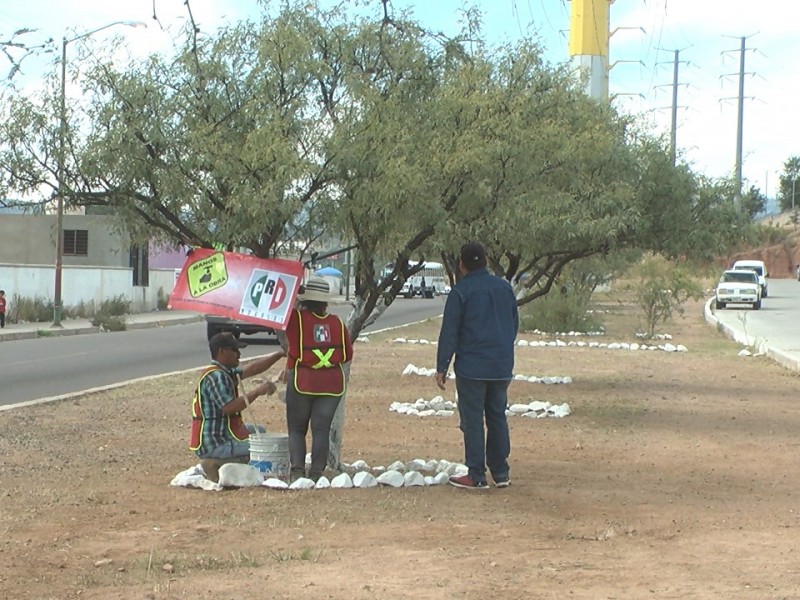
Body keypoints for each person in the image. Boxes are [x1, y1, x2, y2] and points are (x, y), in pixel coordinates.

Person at [436, 242, 519, 490]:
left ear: (461, 265)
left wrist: (442, 366)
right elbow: (513, 324)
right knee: (497, 416)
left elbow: (449, 332)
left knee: (472, 420)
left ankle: (476, 474)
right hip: (501, 365)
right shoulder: (505, 289)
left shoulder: (460, 292)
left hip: (472, 367)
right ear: (485, 261)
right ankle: (501, 472)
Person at [284, 275, 353, 481]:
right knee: (321, 429)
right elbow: (347, 354)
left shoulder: (295, 319)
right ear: (324, 302)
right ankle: (317, 473)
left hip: (303, 382)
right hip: (331, 384)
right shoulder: (337, 323)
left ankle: (297, 472)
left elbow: (283, 314)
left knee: (296, 429)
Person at [190, 331, 284, 482]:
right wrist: (257, 392)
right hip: (216, 442)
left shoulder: (223, 371)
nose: (239, 354)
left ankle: (223, 462)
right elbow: (229, 407)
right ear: (222, 351)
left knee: (260, 432)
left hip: (225, 432)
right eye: (234, 350)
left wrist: (279, 355)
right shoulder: (217, 376)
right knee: (261, 448)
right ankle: (215, 464)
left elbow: (252, 369)